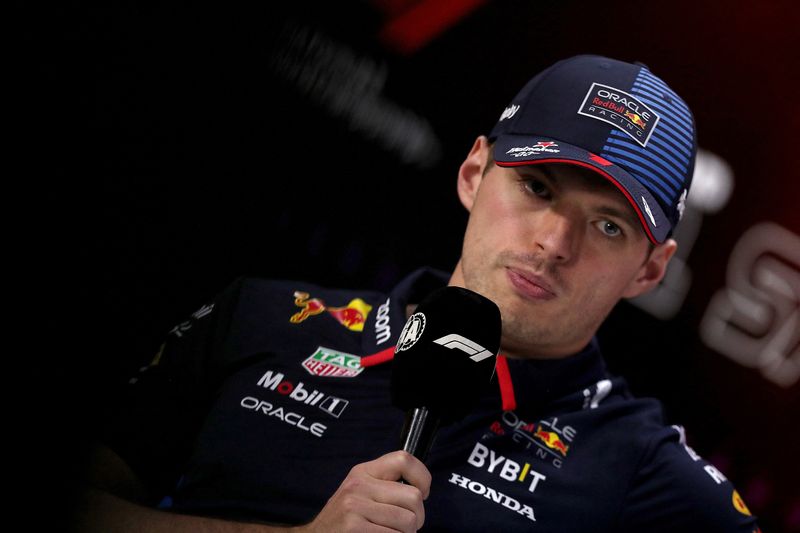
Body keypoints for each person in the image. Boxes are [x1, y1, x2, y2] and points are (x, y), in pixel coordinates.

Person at [74, 55, 761, 532]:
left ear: (650, 270)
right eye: (537, 187)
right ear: (472, 173)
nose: (554, 243)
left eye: (608, 224)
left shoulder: (652, 477)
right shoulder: (260, 317)